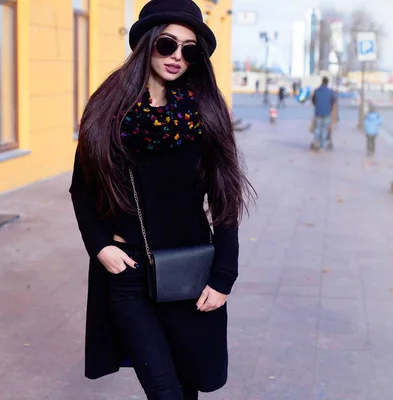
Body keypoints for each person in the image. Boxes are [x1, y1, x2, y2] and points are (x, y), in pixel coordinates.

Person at [68, 1, 255, 399]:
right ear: (148, 43)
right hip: (128, 272)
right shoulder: (108, 112)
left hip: (188, 270)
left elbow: (225, 200)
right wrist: (100, 245)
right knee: (163, 387)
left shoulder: (204, 113)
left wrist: (223, 276)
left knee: (188, 384)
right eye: (168, 44)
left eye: (189, 50)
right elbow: (81, 188)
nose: (177, 57)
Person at [311, 77, 337, 150]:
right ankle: (322, 146)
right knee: (324, 129)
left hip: (318, 112)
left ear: (322, 81)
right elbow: (333, 101)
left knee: (317, 128)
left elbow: (313, 100)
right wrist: (330, 108)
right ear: (327, 82)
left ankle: (316, 142)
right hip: (327, 113)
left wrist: (317, 106)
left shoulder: (317, 90)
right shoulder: (330, 91)